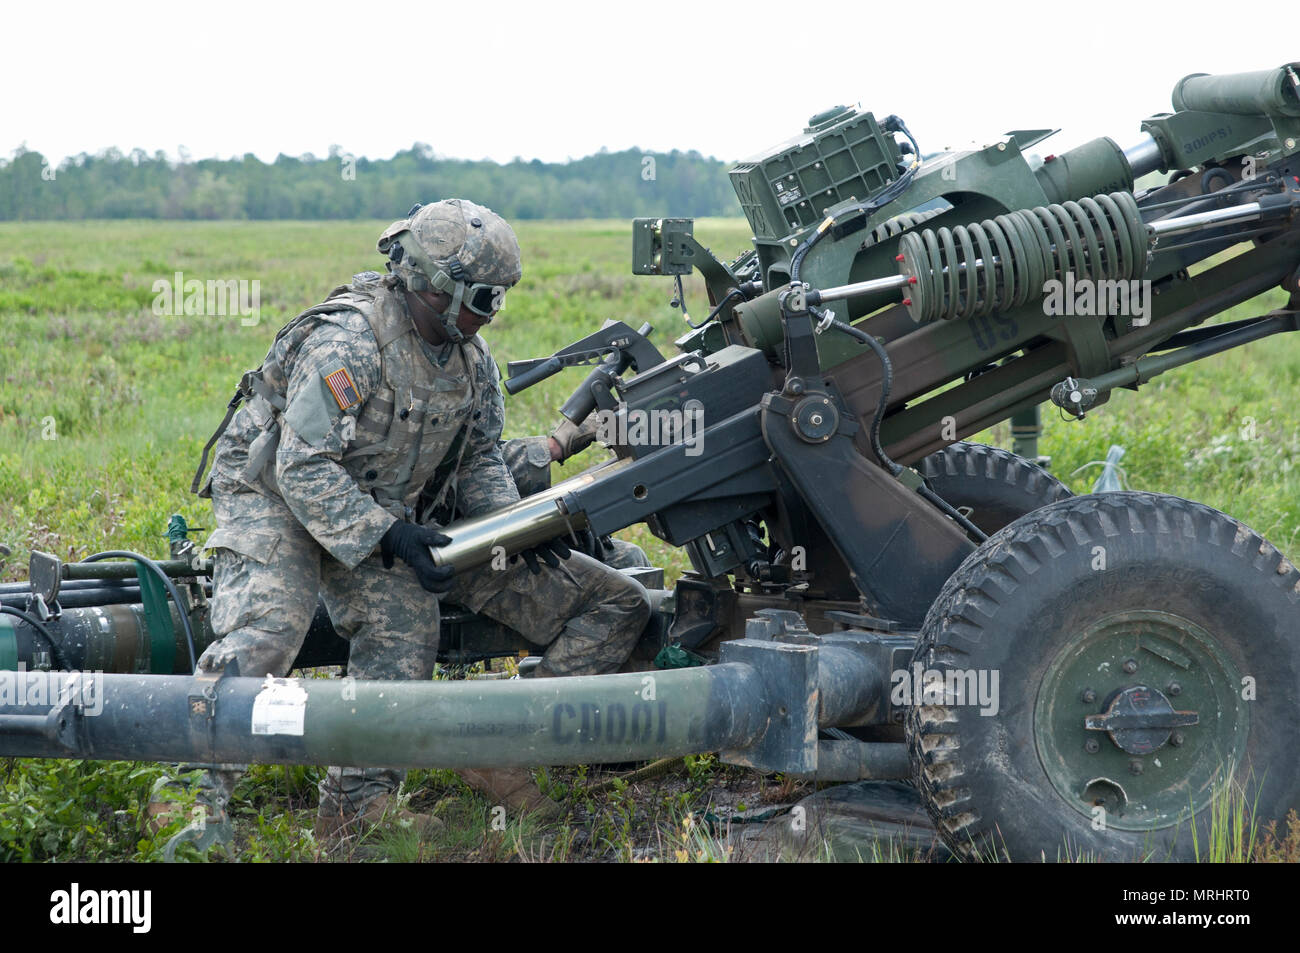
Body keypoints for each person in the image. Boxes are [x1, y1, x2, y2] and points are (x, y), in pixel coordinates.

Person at [163, 199, 647, 846]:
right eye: (484, 297)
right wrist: (389, 536)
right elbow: (302, 466)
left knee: (405, 625)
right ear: (435, 287)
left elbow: (477, 459)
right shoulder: (353, 344)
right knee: (268, 631)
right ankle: (190, 792)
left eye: (499, 298)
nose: (492, 312)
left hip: (382, 502)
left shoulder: (469, 363)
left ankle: (357, 809)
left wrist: (515, 527)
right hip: (275, 493)